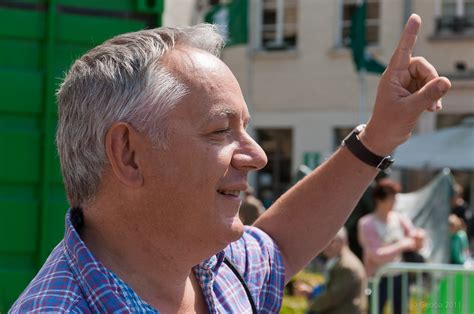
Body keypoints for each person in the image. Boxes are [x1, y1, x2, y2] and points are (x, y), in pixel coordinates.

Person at [11, 14, 451, 313]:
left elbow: (279, 245)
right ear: (128, 153)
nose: (257, 155)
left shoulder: (216, 267)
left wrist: (379, 136)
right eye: (221, 131)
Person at [358, 179, 425, 314]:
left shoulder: (400, 219)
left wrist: (420, 236)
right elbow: (376, 255)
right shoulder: (366, 223)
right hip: (377, 278)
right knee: (375, 310)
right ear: (379, 198)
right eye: (391, 196)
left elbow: (416, 243)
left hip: (399, 276)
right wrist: (401, 245)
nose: (394, 200)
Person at [296, 228, 368, 314]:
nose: (326, 245)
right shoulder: (339, 261)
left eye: (331, 241)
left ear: (342, 242)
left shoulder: (347, 266)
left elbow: (334, 296)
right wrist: (311, 292)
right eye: (325, 240)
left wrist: (312, 305)